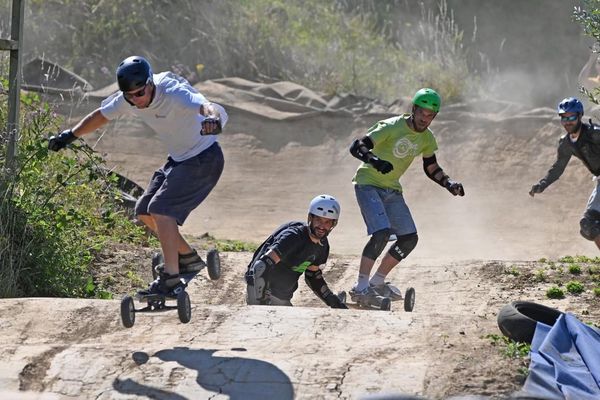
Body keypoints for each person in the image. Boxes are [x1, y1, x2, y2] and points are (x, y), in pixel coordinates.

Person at [48, 55, 228, 295]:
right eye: (129, 96)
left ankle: (171, 278)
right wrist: (70, 135)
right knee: (144, 212)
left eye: (139, 94)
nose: (136, 101)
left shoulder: (172, 91)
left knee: (162, 210)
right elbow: (101, 115)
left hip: (204, 159)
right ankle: (188, 258)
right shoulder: (130, 99)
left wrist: (212, 119)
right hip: (178, 160)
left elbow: (206, 105)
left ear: (150, 83)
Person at [348, 88, 464, 302]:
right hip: (367, 184)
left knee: (409, 238)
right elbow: (358, 146)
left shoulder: (427, 138)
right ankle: (361, 286)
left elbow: (431, 167)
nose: (425, 118)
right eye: (422, 112)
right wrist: (375, 161)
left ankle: (377, 282)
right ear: (414, 109)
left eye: (430, 115)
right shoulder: (392, 126)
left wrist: (449, 183)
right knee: (381, 233)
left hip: (392, 189)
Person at [245, 194, 348, 309]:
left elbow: (313, 276)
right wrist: (263, 301)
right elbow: (261, 266)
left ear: (333, 225)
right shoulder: (293, 236)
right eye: (318, 219)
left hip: (281, 297)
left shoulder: (323, 245)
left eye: (327, 222)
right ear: (310, 218)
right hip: (264, 293)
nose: (321, 226)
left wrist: (333, 301)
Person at [530, 97, 600, 250]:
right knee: (589, 226)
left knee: (590, 223)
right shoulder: (566, 143)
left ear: (580, 116)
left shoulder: (594, 134)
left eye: (572, 117)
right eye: (564, 118)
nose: (568, 122)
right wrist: (543, 184)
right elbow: (558, 167)